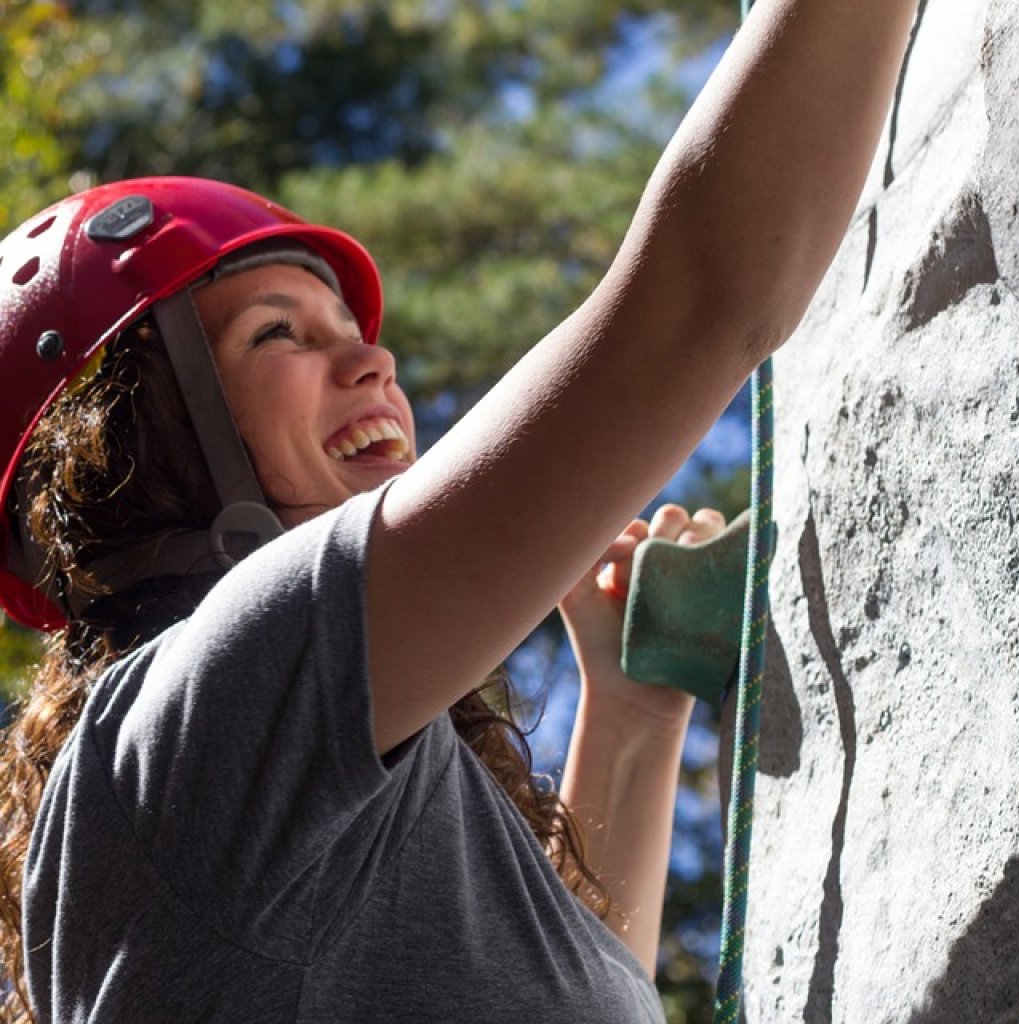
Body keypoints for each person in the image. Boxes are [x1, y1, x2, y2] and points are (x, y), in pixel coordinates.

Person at [0, 0, 920, 1021]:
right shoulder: (197, 717)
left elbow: (547, 984)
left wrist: (625, 713)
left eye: (349, 326)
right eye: (278, 335)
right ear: (145, 439)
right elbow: (696, 303)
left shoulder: (254, 792)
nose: (373, 359)